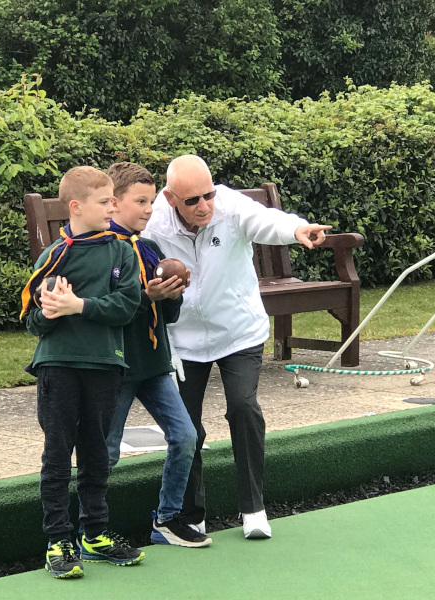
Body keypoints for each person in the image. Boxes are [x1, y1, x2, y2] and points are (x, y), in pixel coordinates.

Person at [143, 154, 332, 540]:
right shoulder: (154, 222)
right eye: (192, 200)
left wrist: (297, 229)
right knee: (186, 426)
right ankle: (191, 514)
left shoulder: (229, 205)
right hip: (183, 339)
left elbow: (266, 221)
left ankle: (254, 508)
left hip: (239, 331)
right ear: (171, 198)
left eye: (208, 195)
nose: (204, 206)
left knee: (243, 407)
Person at [20, 166, 144, 579]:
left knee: (96, 453)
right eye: (105, 201)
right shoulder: (53, 256)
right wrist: (51, 310)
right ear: (76, 206)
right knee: (57, 454)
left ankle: (95, 533)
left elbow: (126, 306)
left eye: (113, 200)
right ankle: (58, 540)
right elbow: (33, 323)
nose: (113, 207)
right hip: (58, 367)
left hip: (105, 366)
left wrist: (79, 306)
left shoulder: (122, 252)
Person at [102, 162, 211, 548]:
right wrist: (144, 296)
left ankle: (166, 519)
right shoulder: (101, 252)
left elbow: (168, 316)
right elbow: (104, 310)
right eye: (140, 202)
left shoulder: (149, 250)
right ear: (114, 203)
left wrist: (172, 295)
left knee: (185, 436)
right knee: (106, 451)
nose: (149, 210)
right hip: (116, 367)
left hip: (153, 364)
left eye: (151, 201)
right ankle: (88, 529)